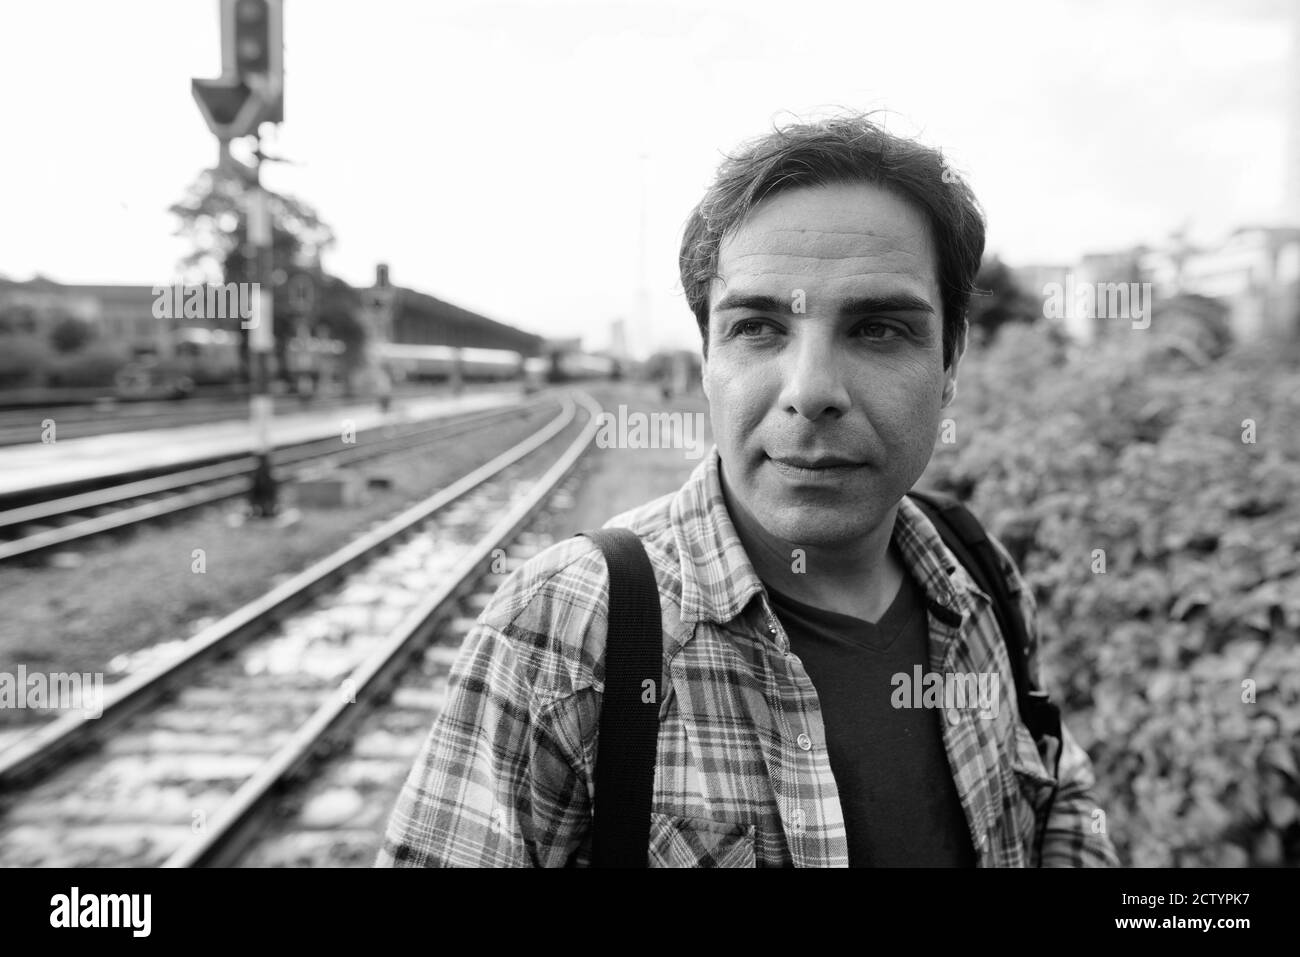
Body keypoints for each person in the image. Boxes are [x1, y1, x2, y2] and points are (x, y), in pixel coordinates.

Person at [376, 114, 1118, 867]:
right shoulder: (566, 631)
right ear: (706, 359)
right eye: (759, 328)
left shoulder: (978, 570)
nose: (812, 391)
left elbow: (1059, 794)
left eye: (879, 329)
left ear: (951, 363)